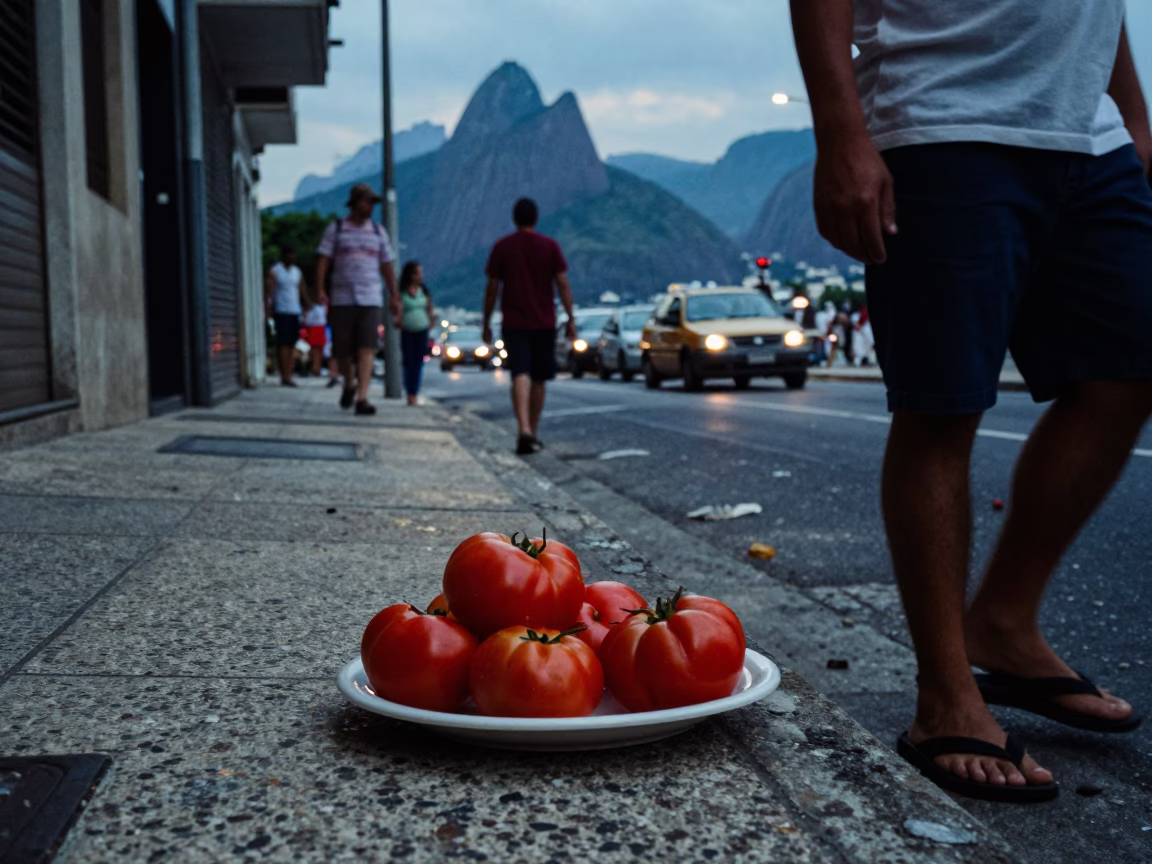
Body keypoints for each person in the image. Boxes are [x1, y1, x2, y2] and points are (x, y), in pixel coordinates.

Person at [793, 0, 1152, 801]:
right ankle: (945, 696)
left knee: (1129, 371)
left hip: (1091, 135)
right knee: (942, 406)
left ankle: (1004, 622)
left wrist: (1134, 118)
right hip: (943, 117)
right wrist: (841, 135)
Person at [482, 197, 576, 455]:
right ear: (536, 218)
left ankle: (523, 429)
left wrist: (486, 321)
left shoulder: (502, 247)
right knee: (539, 378)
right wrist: (570, 318)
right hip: (544, 322)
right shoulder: (549, 246)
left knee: (519, 373)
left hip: (514, 322)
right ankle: (532, 432)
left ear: (514, 218)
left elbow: (492, 289)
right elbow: (563, 284)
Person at [314, 183, 399, 416]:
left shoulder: (378, 232)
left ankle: (362, 397)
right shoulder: (337, 229)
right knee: (342, 350)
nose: (370, 206)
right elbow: (323, 260)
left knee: (366, 347)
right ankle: (349, 384)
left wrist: (394, 294)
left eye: (372, 202)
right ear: (355, 203)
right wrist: (320, 288)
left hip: (370, 299)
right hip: (342, 298)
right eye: (366, 202)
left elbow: (387, 265)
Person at [264, 245, 307, 387]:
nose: (292, 258)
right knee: (282, 343)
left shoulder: (297, 272)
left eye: (293, 255)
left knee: (292, 343)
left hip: (295, 311)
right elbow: (269, 293)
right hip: (281, 310)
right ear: (283, 256)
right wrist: (268, 311)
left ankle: (290, 373)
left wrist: (306, 307)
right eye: (289, 255)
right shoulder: (275, 271)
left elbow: (302, 290)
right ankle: (285, 375)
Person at [397, 260, 435, 406]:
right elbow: (398, 309)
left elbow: (429, 307)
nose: (421, 275)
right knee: (408, 362)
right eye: (419, 272)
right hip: (407, 330)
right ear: (411, 275)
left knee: (418, 362)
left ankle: (414, 392)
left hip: (422, 329)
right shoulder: (402, 292)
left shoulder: (423, 290)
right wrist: (399, 321)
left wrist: (431, 321)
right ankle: (409, 391)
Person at [301, 286, 329, 378]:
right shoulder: (309, 307)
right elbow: (304, 321)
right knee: (311, 350)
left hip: (320, 328)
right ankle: (311, 368)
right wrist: (303, 333)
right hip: (311, 328)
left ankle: (317, 368)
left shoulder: (323, 305)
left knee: (320, 349)